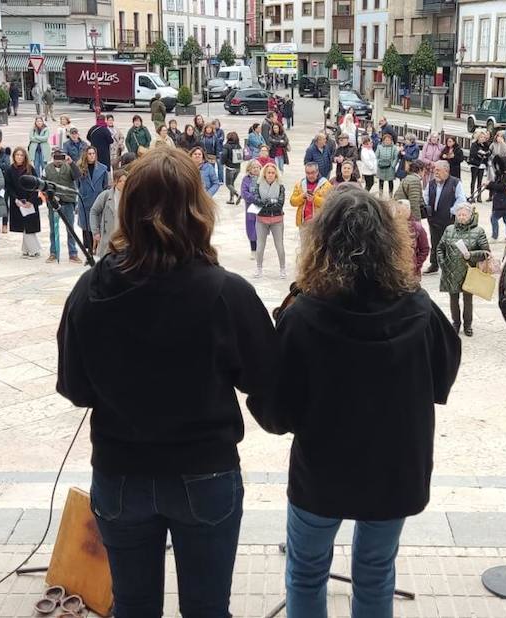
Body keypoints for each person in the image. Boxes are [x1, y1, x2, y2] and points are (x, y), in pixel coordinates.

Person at [56, 146, 278, 618]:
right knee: (207, 608)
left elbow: (76, 388)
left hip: (120, 472)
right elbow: (264, 378)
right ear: (197, 210)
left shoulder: (91, 290)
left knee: (133, 607)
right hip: (204, 469)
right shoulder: (226, 292)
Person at [251, 186, 461, 617]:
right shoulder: (420, 310)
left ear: (322, 242)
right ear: (390, 243)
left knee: (307, 574)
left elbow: (275, 414)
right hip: (396, 469)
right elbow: (443, 378)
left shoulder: (303, 315)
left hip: (322, 472)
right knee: (376, 571)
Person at [437, 204, 489, 336]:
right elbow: (440, 248)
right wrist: (443, 263)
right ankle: (456, 323)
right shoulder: (449, 229)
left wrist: (471, 255)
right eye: (459, 215)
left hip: (468, 271)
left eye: (464, 215)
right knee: (453, 299)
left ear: (470, 216)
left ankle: (468, 325)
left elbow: (486, 252)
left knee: (467, 299)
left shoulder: (479, 231)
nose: (461, 217)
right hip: (451, 271)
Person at [423, 161, 466, 274]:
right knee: (435, 241)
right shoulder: (431, 183)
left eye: (438, 170)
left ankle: (450, 265)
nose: (435, 172)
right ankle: (434, 264)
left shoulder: (455, 183)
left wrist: (451, 211)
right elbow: (425, 197)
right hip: (433, 218)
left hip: (448, 219)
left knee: (449, 243)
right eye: (434, 170)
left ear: (446, 171)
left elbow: (461, 200)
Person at [43, 150, 82, 263]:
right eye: (56, 157)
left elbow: (77, 176)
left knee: (70, 229)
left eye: (60, 157)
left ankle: (73, 253)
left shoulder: (68, 166)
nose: (58, 159)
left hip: (67, 202)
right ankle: (53, 253)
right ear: (52, 157)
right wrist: (48, 196)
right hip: (53, 202)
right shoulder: (47, 169)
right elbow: (43, 184)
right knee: (53, 230)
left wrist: (72, 163)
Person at [250, 163, 287, 278]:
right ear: (264, 174)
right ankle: (259, 268)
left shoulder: (280, 186)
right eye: (268, 172)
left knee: (279, 245)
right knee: (260, 246)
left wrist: (265, 202)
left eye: (272, 172)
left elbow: (280, 204)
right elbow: (256, 201)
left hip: (277, 219)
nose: (270, 175)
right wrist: (271, 201)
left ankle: (282, 269)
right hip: (261, 219)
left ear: (276, 174)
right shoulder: (257, 185)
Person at [5, 148, 42, 258]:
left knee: (29, 226)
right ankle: (30, 250)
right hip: (18, 202)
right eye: (17, 155)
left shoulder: (30, 169)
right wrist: (16, 199)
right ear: (14, 156)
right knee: (24, 226)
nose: (19, 157)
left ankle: (30, 250)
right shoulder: (9, 170)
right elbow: (9, 186)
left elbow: (37, 184)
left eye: (21, 155)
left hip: (30, 201)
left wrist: (31, 201)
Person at [88, 168, 128, 258]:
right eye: (120, 181)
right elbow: (94, 211)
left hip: (124, 238)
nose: (123, 183)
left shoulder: (130, 197)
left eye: (125, 181)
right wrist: (95, 232)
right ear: (115, 182)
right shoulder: (106, 195)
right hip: (108, 237)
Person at [77, 146, 110, 251]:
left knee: (97, 224)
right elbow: (77, 184)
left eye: (93, 153)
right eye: (89, 154)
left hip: (98, 200)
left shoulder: (103, 168)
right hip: (85, 201)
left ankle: (98, 247)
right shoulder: (80, 169)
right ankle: (89, 248)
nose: (92, 156)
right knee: (86, 226)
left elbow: (106, 185)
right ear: (85, 155)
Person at [291, 162, 332, 229]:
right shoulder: (300, 184)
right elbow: (292, 202)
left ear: (317, 171)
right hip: (303, 222)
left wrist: (315, 199)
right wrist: (302, 197)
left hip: (319, 223)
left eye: (312, 172)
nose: (310, 175)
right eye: (307, 173)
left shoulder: (326, 185)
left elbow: (329, 204)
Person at [485, 161, 506, 241]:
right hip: (504, 201)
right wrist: (488, 185)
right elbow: (496, 185)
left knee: (494, 218)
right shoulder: (501, 175)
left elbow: (501, 187)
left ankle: (495, 236)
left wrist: (490, 184)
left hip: (503, 201)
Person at [467, 130, 490, 202]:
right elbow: (474, 154)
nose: (482, 138)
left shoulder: (485, 145)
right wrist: (481, 154)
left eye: (484, 137)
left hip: (482, 164)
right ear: (478, 137)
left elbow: (488, 153)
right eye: (481, 137)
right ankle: (472, 195)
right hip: (475, 164)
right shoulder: (474, 144)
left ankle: (479, 196)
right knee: (473, 180)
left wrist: (484, 154)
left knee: (480, 181)